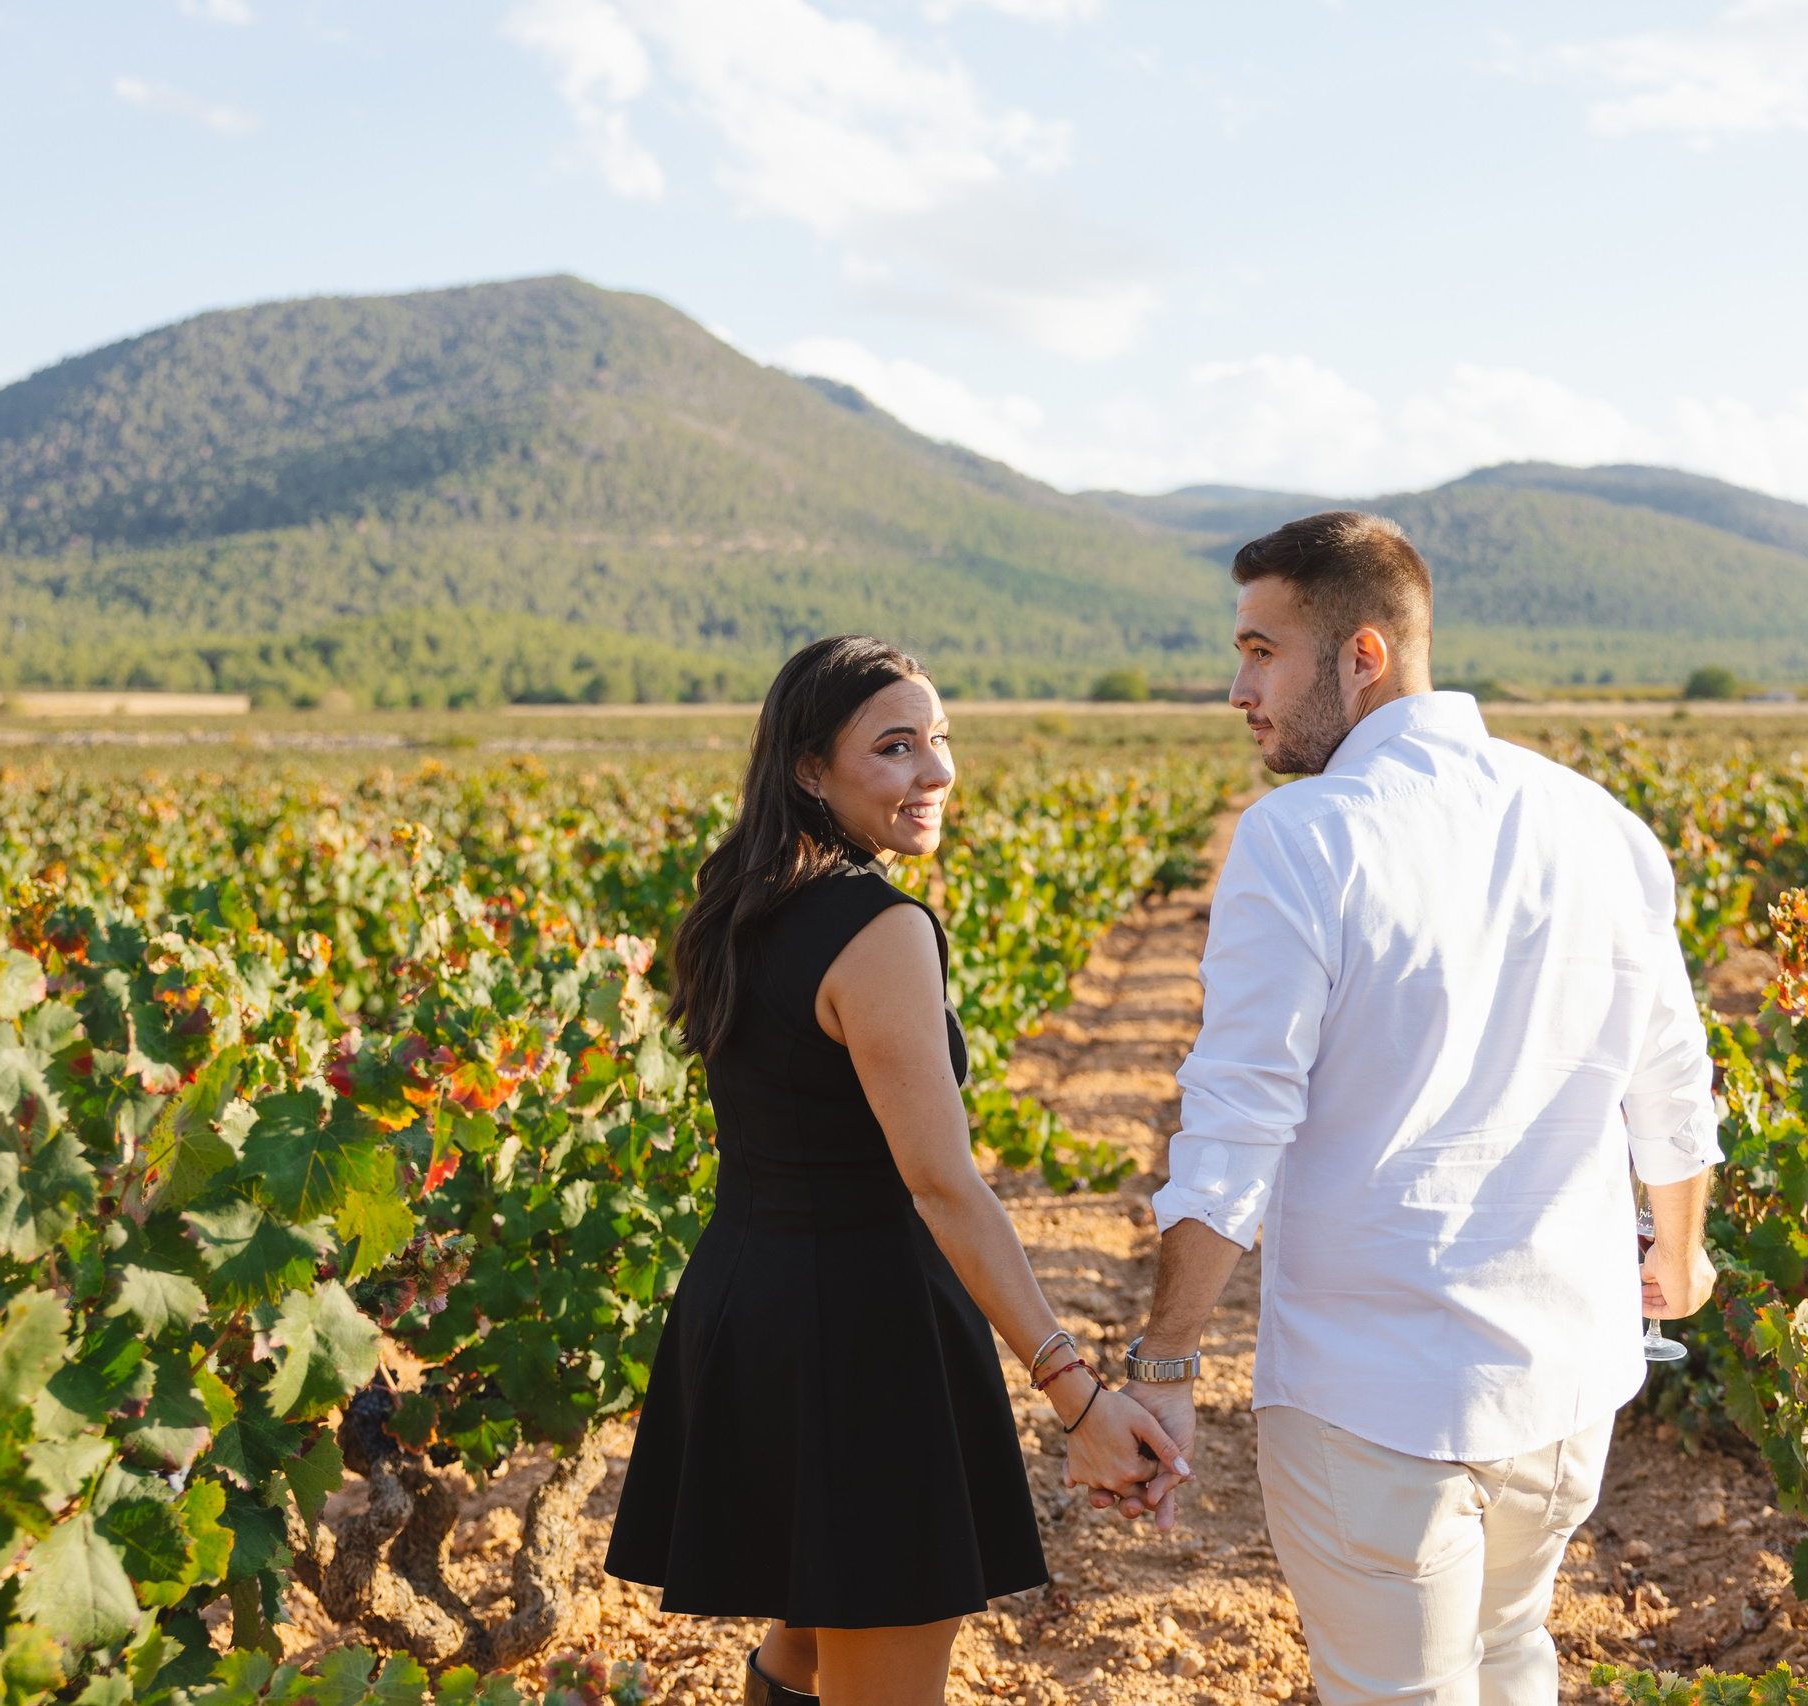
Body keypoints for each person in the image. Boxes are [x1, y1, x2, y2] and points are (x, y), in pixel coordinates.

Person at [1108, 514, 1722, 1706]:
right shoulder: (1599, 822)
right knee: (1512, 1651)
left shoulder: (1300, 839)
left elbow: (1235, 1125)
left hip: (1373, 1396)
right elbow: (1670, 1071)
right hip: (1564, 1378)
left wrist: (1166, 1358)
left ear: (1364, 656)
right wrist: (1681, 1249)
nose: (1238, 690)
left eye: (1261, 652)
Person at [603, 635, 1185, 1706]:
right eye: (896, 746)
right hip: (862, 1336)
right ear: (809, 769)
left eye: (941, 739)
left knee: (811, 1628)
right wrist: (1077, 1395)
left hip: (754, 1305)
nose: (935, 770)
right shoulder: (877, 931)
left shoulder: (745, 906)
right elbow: (943, 1186)